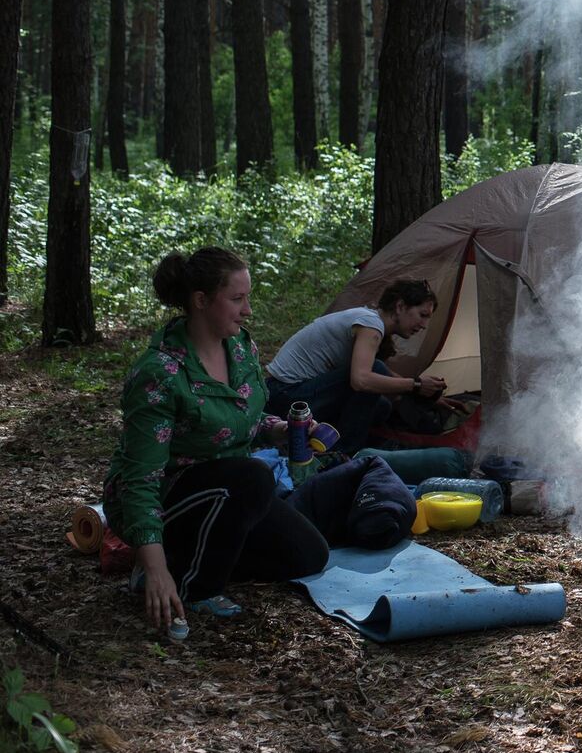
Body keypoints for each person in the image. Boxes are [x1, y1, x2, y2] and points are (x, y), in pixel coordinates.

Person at [104, 248, 328, 633]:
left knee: (308, 555)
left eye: (248, 298)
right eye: (237, 299)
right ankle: (190, 584)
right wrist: (157, 570)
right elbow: (139, 481)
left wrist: (280, 430)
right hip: (166, 495)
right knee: (253, 477)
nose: (248, 310)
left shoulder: (241, 348)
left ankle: (187, 556)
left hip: (229, 491)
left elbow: (245, 419)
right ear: (201, 301)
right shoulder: (161, 373)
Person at [265, 281, 445, 455]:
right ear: (400, 306)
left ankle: (324, 443)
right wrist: (416, 386)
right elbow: (361, 380)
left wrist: (425, 394)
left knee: (381, 406)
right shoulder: (370, 324)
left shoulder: (369, 321)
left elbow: (387, 376)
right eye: (422, 315)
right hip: (286, 396)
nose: (424, 325)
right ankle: (344, 452)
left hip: (290, 394)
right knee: (375, 372)